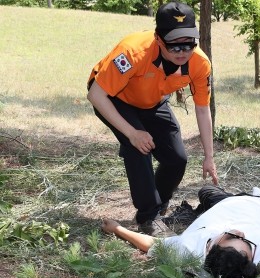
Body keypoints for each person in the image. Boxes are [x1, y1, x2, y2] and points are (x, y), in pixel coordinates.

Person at [87, 2, 218, 237]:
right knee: (138, 147)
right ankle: (148, 217)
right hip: (116, 98)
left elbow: (202, 107)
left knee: (177, 159)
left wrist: (209, 156)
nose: (183, 51)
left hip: (152, 101)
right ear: (158, 38)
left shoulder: (200, 63)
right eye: (174, 46)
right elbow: (96, 95)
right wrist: (132, 133)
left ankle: (158, 203)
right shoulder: (133, 52)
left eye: (189, 43)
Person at [101, 184, 260, 278]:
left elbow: (152, 243)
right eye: (244, 241)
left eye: (231, 236)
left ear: (209, 247)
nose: (239, 232)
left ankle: (249, 193)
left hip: (225, 204)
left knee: (206, 191)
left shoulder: (188, 250)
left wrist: (118, 229)